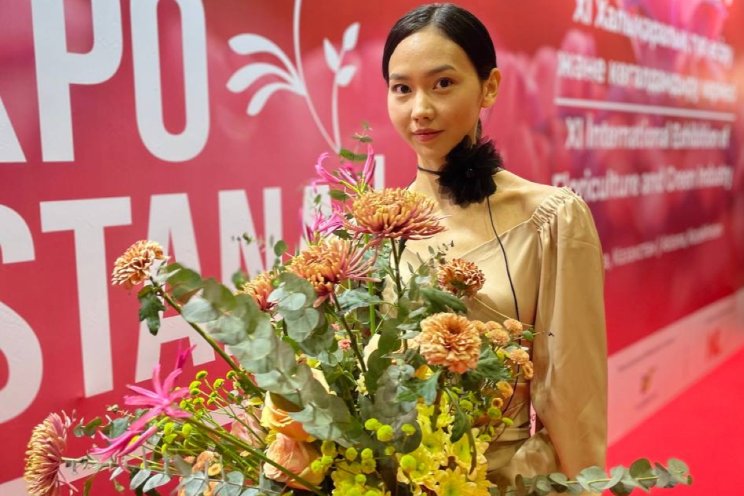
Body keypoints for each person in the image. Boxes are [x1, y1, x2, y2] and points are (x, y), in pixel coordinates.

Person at [382, 2, 608, 488]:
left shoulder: (550, 218)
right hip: (389, 476)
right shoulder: (374, 228)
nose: (420, 109)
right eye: (402, 89)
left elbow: (572, 395)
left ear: (489, 86)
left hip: (501, 479)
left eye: (442, 83)